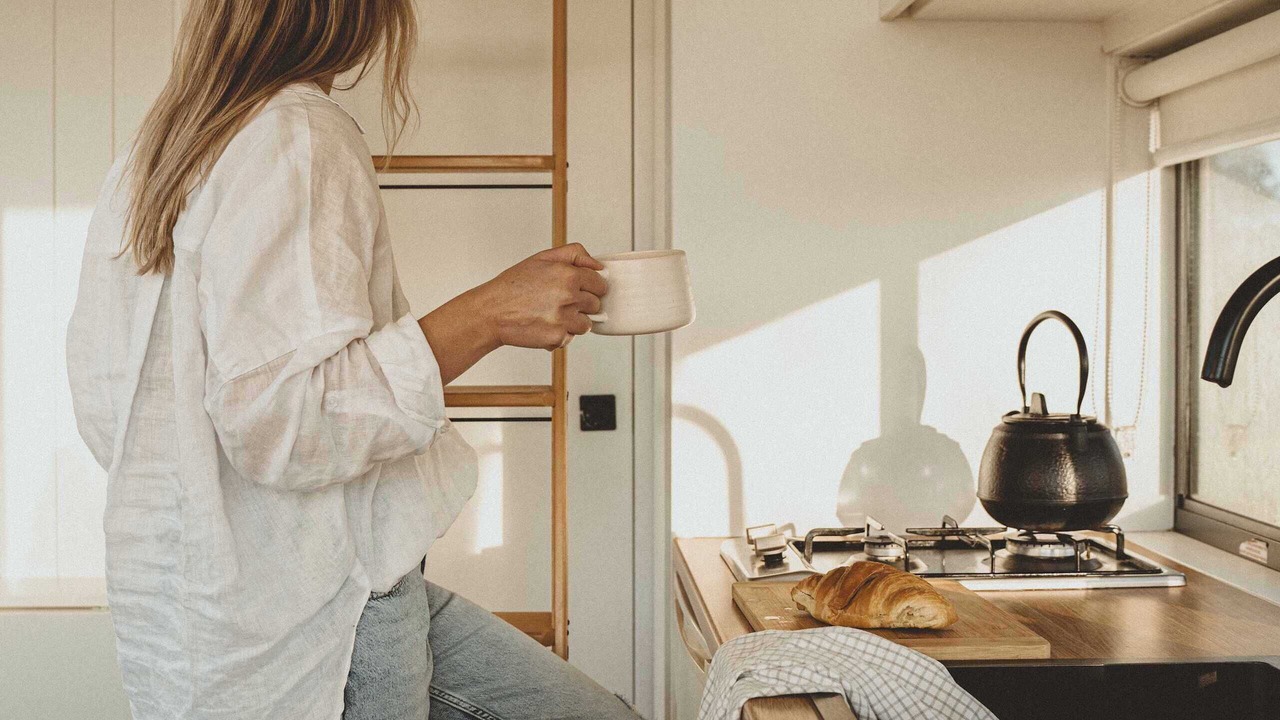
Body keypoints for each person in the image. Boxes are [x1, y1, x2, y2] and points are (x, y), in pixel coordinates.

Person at [65, 1, 637, 718]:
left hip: (205, 617)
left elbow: (105, 408)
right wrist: (489, 314)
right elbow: (285, 420)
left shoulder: (157, 152)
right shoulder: (297, 133)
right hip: (328, 615)